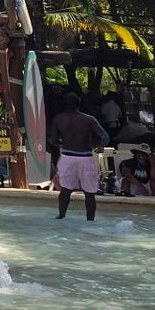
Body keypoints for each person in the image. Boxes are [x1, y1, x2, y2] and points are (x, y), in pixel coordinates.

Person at [48, 92, 108, 223]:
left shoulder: (59, 119)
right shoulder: (89, 119)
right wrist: (100, 146)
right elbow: (105, 137)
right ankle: (90, 220)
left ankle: (61, 216)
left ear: (65, 105)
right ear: (79, 104)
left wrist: (63, 143)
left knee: (65, 190)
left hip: (67, 157)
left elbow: (52, 140)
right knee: (89, 192)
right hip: (85, 157)